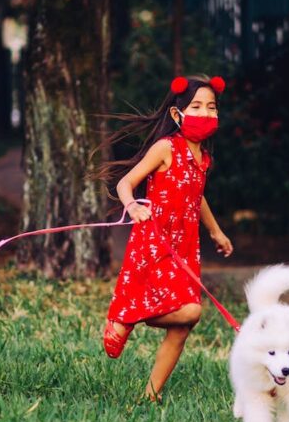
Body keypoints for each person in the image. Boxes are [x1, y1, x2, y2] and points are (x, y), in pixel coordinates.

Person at [97, 74, 233, 402]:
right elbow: (125, 183)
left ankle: (151, 395)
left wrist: (216, 231)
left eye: (211, 108)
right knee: (190, 312)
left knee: (183, 325)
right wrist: (132, 207)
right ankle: (126, 315)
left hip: (185, 246)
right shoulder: (165, 148)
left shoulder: (203, 159)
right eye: (196, 107)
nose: (205, 113)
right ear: (177, 114)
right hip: (155, 241)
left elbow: (196, 195)